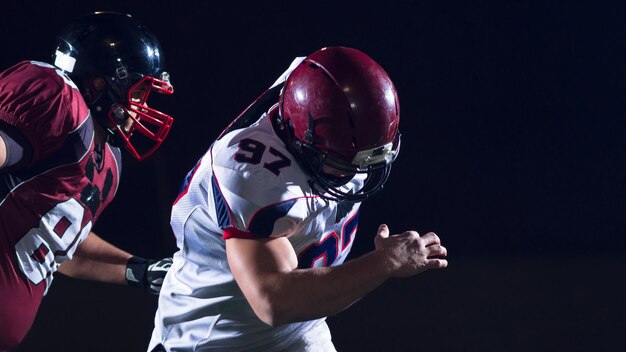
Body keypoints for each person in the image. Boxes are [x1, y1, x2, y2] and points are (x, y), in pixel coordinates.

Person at [149, 46, 448, 352]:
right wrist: (386, 261)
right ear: (302, 142)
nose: (358, 174)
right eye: (345, 164)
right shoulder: (254, 175)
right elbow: (273, 301)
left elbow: (327, 78)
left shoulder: (319, 100)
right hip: (214, 339)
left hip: (298, 334)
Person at [0, 12, 175, 350]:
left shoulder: (108, 163)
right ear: (101, 84)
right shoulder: (58, 99)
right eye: (139, 92)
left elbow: (63, 245)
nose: (142, 107)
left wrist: (139, 270)